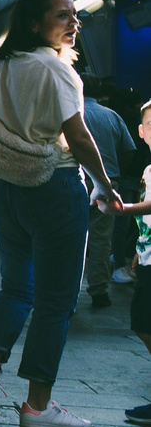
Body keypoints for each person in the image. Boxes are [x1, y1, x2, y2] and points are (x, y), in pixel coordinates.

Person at [0, 0, 117, 427]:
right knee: (55, 301)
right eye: (63, 16)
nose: (74, 23)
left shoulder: (0, 65)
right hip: (53, 187)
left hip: (6, 189)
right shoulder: (55, 69)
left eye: (75, 15)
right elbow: (78, 137)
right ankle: (37, 406)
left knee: (16, 288)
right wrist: (104, 185)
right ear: (36, 24)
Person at [81, 75, 134, 309]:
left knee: (70, 237)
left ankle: (67, 291)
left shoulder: (70, 114)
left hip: (75, 180)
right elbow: (129, 149)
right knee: (102, 239)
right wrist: (112, 172)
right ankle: (99, 290)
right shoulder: (111, 116)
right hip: (108, 182)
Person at [114, 101, 151, 425]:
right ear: (140, 132)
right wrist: (141, 250)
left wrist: (122, 209)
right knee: (142, 321)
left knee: (143, 321)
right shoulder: (149, 169)